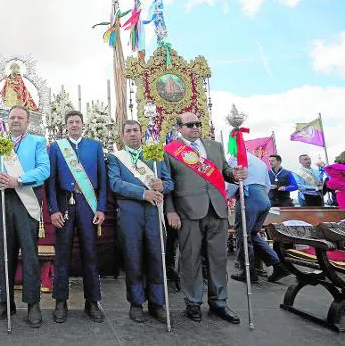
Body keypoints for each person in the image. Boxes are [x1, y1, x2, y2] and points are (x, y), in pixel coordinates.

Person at [164, 112, 247, 324]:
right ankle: (193, 301)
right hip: (187, 211)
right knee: (190, 258)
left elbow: (225, 171)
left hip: (216, 209)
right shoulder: (171, 151)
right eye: (189, 124)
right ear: (179, 128)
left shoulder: (215, 147)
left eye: (198, 124)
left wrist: (235, 174)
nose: (195, 128)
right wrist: (170, 210)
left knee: (218, 258)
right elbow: (168, 184)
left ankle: (219, 301)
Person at [0, 105, 50, 328]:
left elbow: (43, 170)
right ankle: (6, 301)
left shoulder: (37, 143)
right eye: (12, 117)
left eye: (20, 117)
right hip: (5, 200)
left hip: (27, 199)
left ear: (27, 122)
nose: (16, 121)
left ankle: (33, 303)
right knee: (6, 253)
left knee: (29, 253)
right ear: (7, 121)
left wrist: (18, 180)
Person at [108, 120, 174, 324]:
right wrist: (142, 192)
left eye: (136, 130)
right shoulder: (116, 158)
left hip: (154, 214)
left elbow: (170, 183)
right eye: (128, 131)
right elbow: (115, 183)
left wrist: (162, 185)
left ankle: (157, 303)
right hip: (130, 215)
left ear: (142, 133)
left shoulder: (155, 155)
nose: (132, 134)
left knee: (156, 258)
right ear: (123, 135)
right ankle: (136, 303)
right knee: (133, 258)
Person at [46, 110, 106, 323]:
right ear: (66, 126)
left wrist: (101, 207)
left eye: (77, 122)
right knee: (62, 254)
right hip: (64, 204)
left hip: (88, 205)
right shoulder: (56, 147)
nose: (74, 125)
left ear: (83, 125)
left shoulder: (95, 146)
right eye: (70, 122)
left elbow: (103, 180)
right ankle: (60, 302)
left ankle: (92, 302)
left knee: (90, 254)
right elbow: (50, 181)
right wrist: (53, 209)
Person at [227, 152, 291, 284]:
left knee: (243, 235)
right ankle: (278, 265)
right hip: (264, 198)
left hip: (249, 196)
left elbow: (233, 180)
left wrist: (225, 197)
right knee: (252, 234)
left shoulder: (236, 158)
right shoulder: (260, 162)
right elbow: (267, 184)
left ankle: (247, 272)